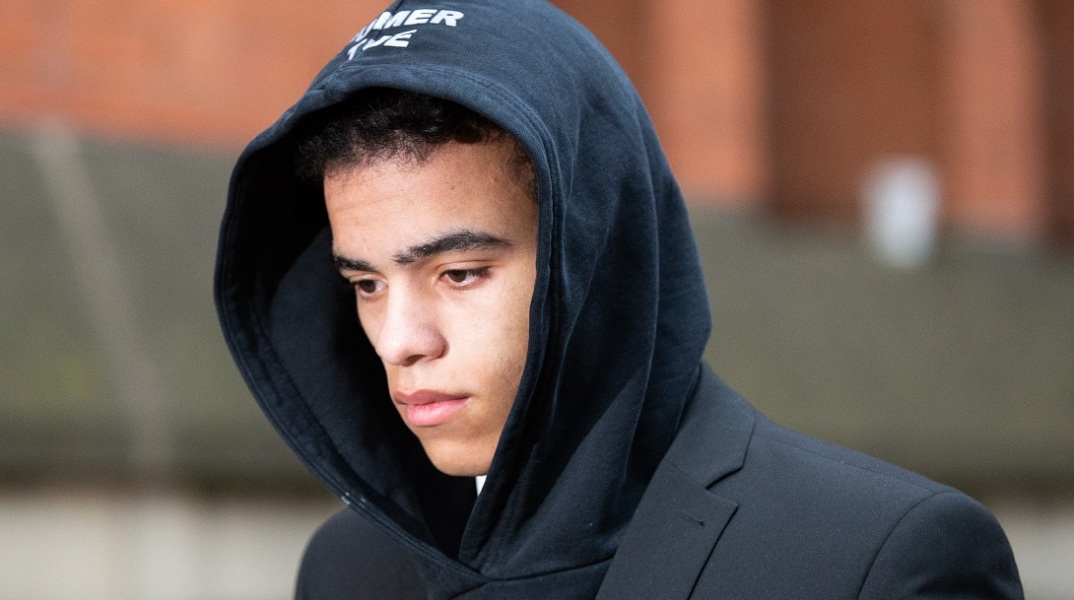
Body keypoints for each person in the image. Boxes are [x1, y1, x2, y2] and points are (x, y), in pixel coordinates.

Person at [214, 1, 1023, 598]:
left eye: (459, 273)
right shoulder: (348, 571)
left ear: (595, 258)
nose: (400, 339)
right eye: (366, 284)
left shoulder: (874, 560)